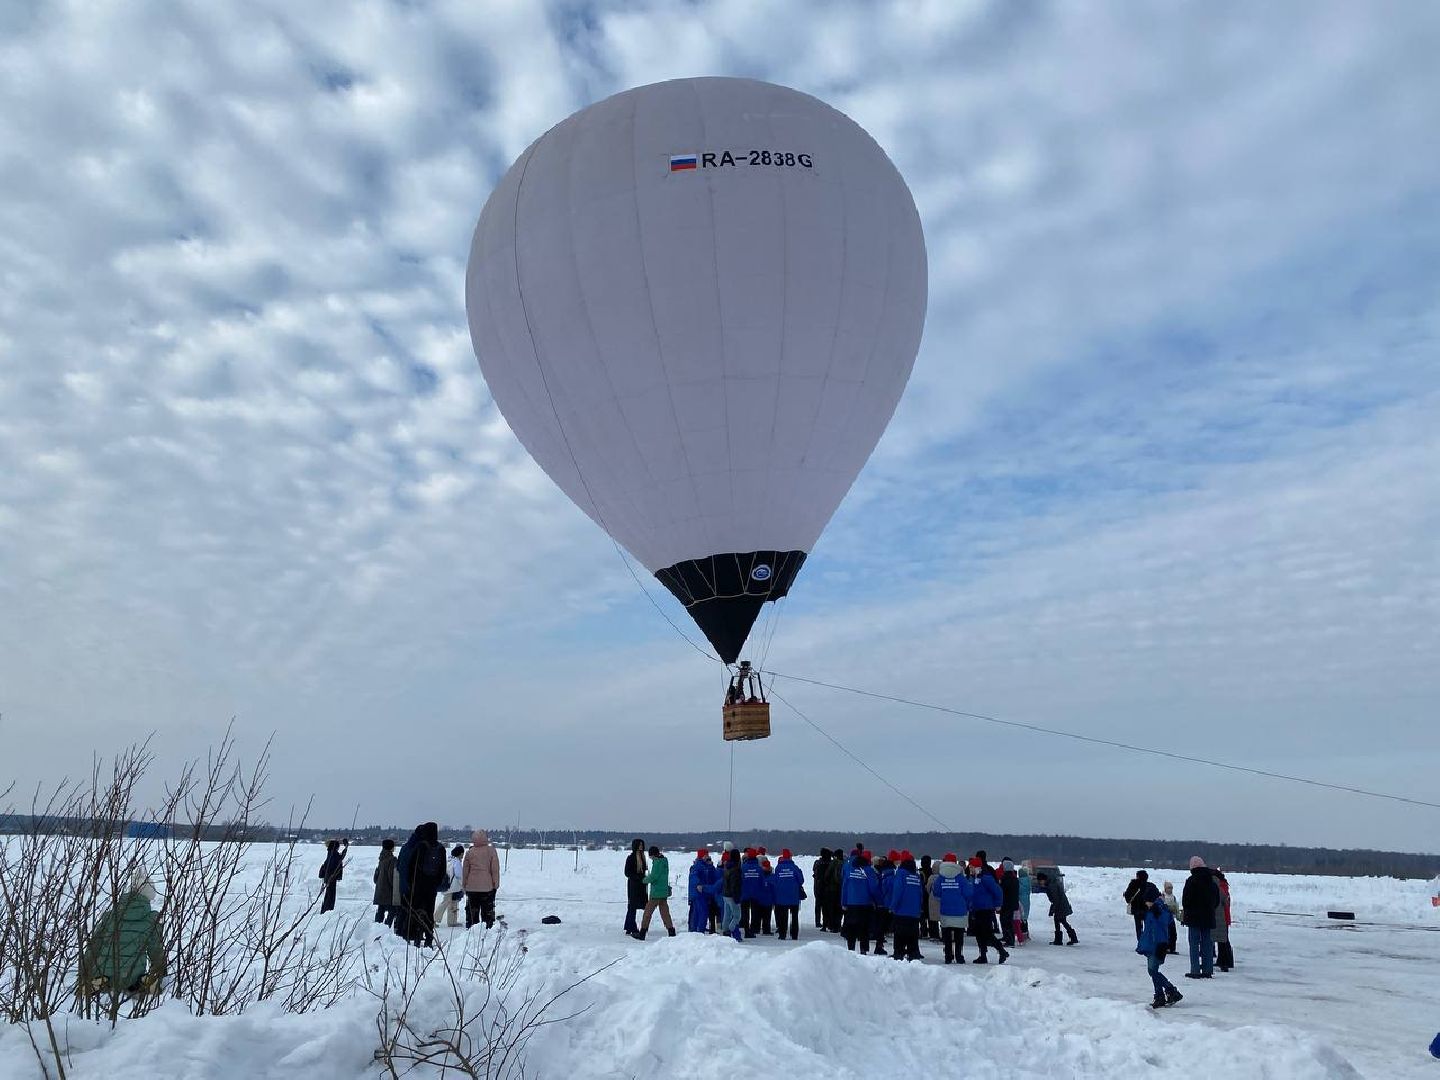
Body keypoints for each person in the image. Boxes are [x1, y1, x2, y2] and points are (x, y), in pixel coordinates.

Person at [79, 870, 166, 999]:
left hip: (103, 973)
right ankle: (142, 983)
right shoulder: (151, 921)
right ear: (149, 897)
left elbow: (93, 947)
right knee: (143, 981)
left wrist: (83, 973)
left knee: (102, 973)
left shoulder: (109, 917)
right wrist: (160, 973)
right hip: (132, 978)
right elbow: (156, 953)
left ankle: (98, 982)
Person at [395, 822, 445, 947]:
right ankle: (428, 938)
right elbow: (442, 870)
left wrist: (412, 882)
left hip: (418, 886)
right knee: (429, 912)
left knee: (414, 911)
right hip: (431, 887)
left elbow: (412, 866)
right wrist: (436, 883)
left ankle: (413, 936)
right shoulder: (440, 848)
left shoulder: (420, 846)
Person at [1137, 891, 1183, 1009]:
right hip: (1151, 944)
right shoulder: (1152, 910)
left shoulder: (1160, 909)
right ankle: (1160, 995)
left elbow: (1167, 921)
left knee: (1152, 970)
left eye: (1147, 901)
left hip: (1158, 944)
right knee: (1153, 971)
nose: (1146, 903)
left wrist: (1158, 911)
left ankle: (1170, 990)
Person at [1181, 856, 1219, 979]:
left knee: (1194, 943)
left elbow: (1186, 900)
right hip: (1208, 917)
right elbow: (1216, 900)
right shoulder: (1211, 881)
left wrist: (1188, 910)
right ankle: (1208, 969)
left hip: (1194, 918)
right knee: (1207, 943)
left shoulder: (1191, 881)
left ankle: (1195, 970)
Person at [930, 853, 971, 963]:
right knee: (959, 936)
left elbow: (936, 892)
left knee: (947, 936)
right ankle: (959, 956)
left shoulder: (940, 878)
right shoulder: (961, 878)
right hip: (960, 911)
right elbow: (968, 893)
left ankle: (948, 956)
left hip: (945, 910)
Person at [967, 858, 1009, 963]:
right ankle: (983, 955)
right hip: (976, 910)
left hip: (986, 909)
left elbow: (998, 891)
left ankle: (1001, 951)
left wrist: (998, 904)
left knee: (987, 933)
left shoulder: (986, 878)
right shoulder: (972, 879)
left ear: (977, 867)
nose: (970, 869)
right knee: (978, 933)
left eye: (971, 867)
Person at [841, 850, 879, 953]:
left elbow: (845, 886)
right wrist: (877, 900)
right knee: (864, 927)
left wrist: (844, 902)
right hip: (865, 903)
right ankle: (863, 949)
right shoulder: (869, 870)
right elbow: (874, 887)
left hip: (851, 902)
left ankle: (851, 948)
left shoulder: (850, 870)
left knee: (851, 926)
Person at [462, 829, 501, 929]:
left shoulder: (469, 852)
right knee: (487, 912)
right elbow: (495, 870)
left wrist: (464, 885)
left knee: (472, 912)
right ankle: (487, 929)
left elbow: (465, 871)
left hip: (471, 888)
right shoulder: (491, 851)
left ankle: (471, 930)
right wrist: (495, 884)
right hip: (487, 887)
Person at [890, 855, 926, 961]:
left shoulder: (900, 874)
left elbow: (897, 891)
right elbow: (920, 893)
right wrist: (919, 907)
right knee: (913, 935)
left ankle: (898, 953)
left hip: (901, 910)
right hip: (914, 911)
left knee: (899, 934)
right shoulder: (916, 875)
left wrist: (893, 906)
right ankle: (913, 954)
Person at [637, 845, 676, 939]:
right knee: (665, 913)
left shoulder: (657, 863)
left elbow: (654, 877)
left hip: (656, 893)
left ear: (653, 855)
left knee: (647, 913)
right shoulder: (664, 861)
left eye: (650, 856)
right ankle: (671, 931)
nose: (650, 858)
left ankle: (642, 933)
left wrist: (643, 880)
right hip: (663, 892)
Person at [1036, 869, 1077, 946]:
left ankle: (1060, 940)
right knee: (1061, 921)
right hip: (1061, 905)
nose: (1040, 883)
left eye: (1040, 881)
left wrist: (1052, 910)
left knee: (1059, 921)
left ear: (1043, 880)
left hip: (1060, 906)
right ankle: (1071, 938)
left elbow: (1056, 899)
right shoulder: (1051, 883)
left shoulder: (1051, 885)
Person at [772, 849, 805, 941]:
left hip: (781, 896)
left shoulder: (778, 868)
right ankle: (794, 934)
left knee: (783, 916)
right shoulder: (795, 867)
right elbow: (801, 880)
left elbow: (775, 881)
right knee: (794, 916)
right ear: (790, 857)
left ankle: (782, 934)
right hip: (793, 896)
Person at [435, 844, 465, 928]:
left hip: (447, 885)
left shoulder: (449, 860)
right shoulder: (457, 862)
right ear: (460, 853)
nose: (463, 855)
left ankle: (452, 922)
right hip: (453, 887)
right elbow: (459, 875)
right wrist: (463, 886)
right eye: (462, 853)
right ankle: (434, 920)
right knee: (447, 903)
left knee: (451, 903)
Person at [1123, 870, 1159, 940]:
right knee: (1148, 927)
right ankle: (1148, 941)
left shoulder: (1133, 885)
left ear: (1137, 877)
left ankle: (1140, 941)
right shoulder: (1151, 886)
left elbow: (1128, 898)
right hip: (1148, 910)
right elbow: (1157, 897)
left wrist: (1126, 895)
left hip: (1137, 910)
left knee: (1139, 928)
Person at [623, 839, 647, 938]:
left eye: (642, 844)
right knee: (632, 906)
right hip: (633, 885)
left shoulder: (642, 857)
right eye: (639, 845)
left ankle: (629, 926)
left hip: (641, 885)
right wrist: (637, 877)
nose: (641, 846)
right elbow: (627, 872)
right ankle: (631, 927)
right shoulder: (631, 858)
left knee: (636, 906)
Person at [372, 839, 400, 925]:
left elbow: (376, 878)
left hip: (380, 890)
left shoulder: (381, 859)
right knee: (392, 911)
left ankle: (377, 927)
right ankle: (387, 928)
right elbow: (392, 877)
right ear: (391, 848)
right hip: (388, 891)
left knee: (381, 910)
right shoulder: (392, 860)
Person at [688, 849, 716, 933]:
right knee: (702, 912)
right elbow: (693, 876)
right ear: (702, 856)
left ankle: (695, 930)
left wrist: (711, 866)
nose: (707, 856)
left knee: (697, 912)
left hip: (704, 892)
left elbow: (713, 875)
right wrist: (698, 884)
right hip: (698, 893)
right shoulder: (697, 866)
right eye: (706, 855)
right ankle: (699, 930)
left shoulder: (707, 866)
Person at [1212, 867, 1234, 972]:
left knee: (1223, 941)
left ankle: (1226, 961)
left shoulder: (1220, 887)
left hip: (1222, 916)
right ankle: (1223, 960)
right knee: (1223, 940)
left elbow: (1223, 901)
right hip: (1224, 916)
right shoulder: (1223, 885)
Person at [318, 838, 348, 914]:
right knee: (330, 895)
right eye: (338, 847)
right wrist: (346, 848)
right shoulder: (333, 854)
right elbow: (340, 858)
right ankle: (327, 910)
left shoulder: (331, 853)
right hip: (331, 878)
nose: (338, 849)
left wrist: (346, 848)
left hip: (329, 877)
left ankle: (325, 910)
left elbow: (340, 857)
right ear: (335, 847)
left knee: (328, 895)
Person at [721, 849, 744, 941]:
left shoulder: (727, 867)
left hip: (725, 894)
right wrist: (737, 898)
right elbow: (735, 885)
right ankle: (731, 929)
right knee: (737, 916)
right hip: (732, 895)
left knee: (727, 914)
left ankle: (725, 931)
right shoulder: (736, 870)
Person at [740, 848, 764, 938]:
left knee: (745, 913)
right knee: (755, 912)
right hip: (756, 893)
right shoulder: (759, 868)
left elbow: (740, 880)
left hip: (744, 893)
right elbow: (762, 881)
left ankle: (746, 930)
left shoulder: (743, 867)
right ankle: (753, 930)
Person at [999, 858, 1021, 947]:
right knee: (1007, 921)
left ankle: (1010, 940)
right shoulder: (1014, 879)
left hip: (1006, 903)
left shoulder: (1006, 878)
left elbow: (1002, 891)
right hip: (1012, 903)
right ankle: (1007, 937)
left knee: (1006, 921)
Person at [812, 849, 832, 930]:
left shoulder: (817, 863)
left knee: (818, 904)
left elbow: (814, 871)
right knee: (826, 905)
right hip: (827, 886)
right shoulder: (830, 863)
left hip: (818, 886)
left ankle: (817, 921)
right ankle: (826, 922)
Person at [1161, 880, 1180, 954]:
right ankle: (1166, 948)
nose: (1170, 889)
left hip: (1171, 918)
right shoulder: (1162, 896)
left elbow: (1176, 907)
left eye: (1171, 888)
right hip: (1164, 918)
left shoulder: (1173, 897)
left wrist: (1178, 915)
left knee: (1173, 934)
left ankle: (1172, 948)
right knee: (1166, 933)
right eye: (1169, 888)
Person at [759, 856, 776, 935]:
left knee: (763, 915)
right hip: (768, 899)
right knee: (767, 916)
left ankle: (758, 928)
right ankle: (766, 930)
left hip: (762, 899)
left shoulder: (760, 876)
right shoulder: (772, 877)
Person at [1017, 865, 1032, 944]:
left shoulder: (1019, 882)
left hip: (1020, 901)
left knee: (1020, 918)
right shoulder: (1028, 881)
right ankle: (1026, 934)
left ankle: (1022, 934)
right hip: (1027, 901)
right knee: (1025, 918)